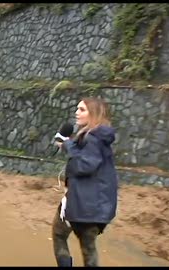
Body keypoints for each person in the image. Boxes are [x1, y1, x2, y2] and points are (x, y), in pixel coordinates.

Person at [52, 97, 118, 267]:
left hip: (84, 205)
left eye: (82, 109)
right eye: (77, 108)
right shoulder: (93, 137)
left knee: (60, 235)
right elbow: (83, 154)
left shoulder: (94, 138)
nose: (76, 112)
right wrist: (67, 144)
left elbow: (85, 165)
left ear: (93, 114)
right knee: (88, 248)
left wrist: (68, 147)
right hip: (93, 205)